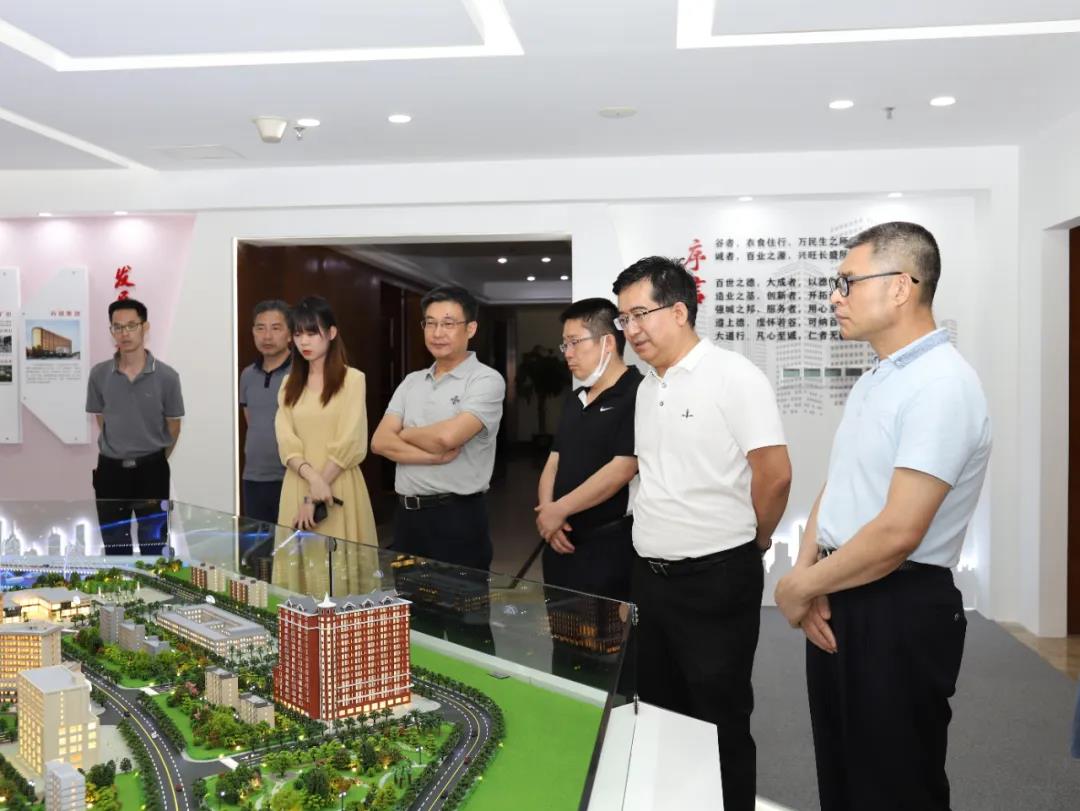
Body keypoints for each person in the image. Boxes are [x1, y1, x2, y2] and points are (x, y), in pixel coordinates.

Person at [774, 222, 992, 811]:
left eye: (848, 282)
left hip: (897, 606)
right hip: (843, 588)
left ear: (900, 286)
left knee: (895, 786)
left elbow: (899, 532)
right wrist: (810, 569)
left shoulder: (942, 384)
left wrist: (799, 588)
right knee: (843, 775)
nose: (834, 297)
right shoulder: (879, 376)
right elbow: (840, 484)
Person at [613, 256, 791, 811]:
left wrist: (754, 540)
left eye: (640, 314)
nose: (631, 329)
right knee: (660, 711)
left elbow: (775, 475)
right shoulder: (647, 388)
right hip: (651, 577)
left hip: (716, 577)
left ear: (679, 311)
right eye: (624, 318)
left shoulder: (734, 376)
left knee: (719, 715)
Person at [536, 298, 641, 685]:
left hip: (607, 547)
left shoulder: (637, 393)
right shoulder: (576, 397)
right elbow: (554, 460)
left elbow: (622, 467)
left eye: (575, 342)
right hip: (560, 544)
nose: (567, 352)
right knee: (566, 648)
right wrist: (548, 513)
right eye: (564, 344)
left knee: (606, 655)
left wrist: (558, 510)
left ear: (607, 342)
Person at [371, 285, 505, 572]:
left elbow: (447, 438)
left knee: (460, 599)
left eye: (448, 323)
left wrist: (405, 433)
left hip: (457, 517)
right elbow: (380, 442)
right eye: (430, 323)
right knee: (410, 598)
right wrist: (432, 456)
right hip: (407, 519)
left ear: (470, 328)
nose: (437, 332)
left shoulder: (485, 380)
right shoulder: (412, 381)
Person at [272, 296, 379, 597]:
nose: (304, 341)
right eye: (298, 334)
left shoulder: (353, 380)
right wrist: (313, 481)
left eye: (312, 332)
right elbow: (286, 439)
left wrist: (317, 491)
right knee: (301, 569)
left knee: (338, 571)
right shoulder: (288, 384)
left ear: (332, 333)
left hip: (339, 483)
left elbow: (351, 440)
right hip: (299, 483)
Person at [86, 298, 184, 555]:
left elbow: (173, 426)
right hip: (110, 472)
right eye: (118, 327)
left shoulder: (167, 376)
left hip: (152, 472)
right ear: (111, 331)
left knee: (154, 547)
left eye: (131, 325)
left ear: (145, 327)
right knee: (115, 547)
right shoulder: (99, 374)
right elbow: (102, 418)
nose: (124, 333)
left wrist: (153, 457)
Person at [239, 300, 291, 524]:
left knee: (292, 544)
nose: (267, 336)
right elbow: (251, 420)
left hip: (292, 477)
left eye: (276, 328)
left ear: (290, 334)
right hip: (253, 477)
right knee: (257, 544)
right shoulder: (247, 375)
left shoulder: (302, 374)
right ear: (253, 332)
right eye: (260, 328)